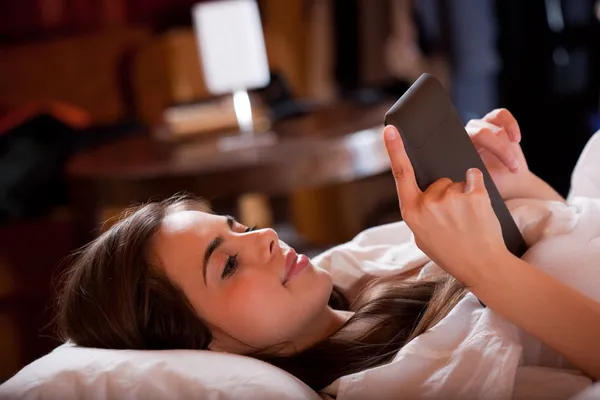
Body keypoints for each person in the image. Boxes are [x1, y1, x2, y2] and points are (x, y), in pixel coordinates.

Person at [55, 108, 600, 391]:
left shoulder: (372, 281)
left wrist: (518, 187)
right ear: (203, 350)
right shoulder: (396, 383)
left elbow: (569, 252)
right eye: (226, 264)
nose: (263, 238)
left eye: (237, 227)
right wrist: (484, 267)